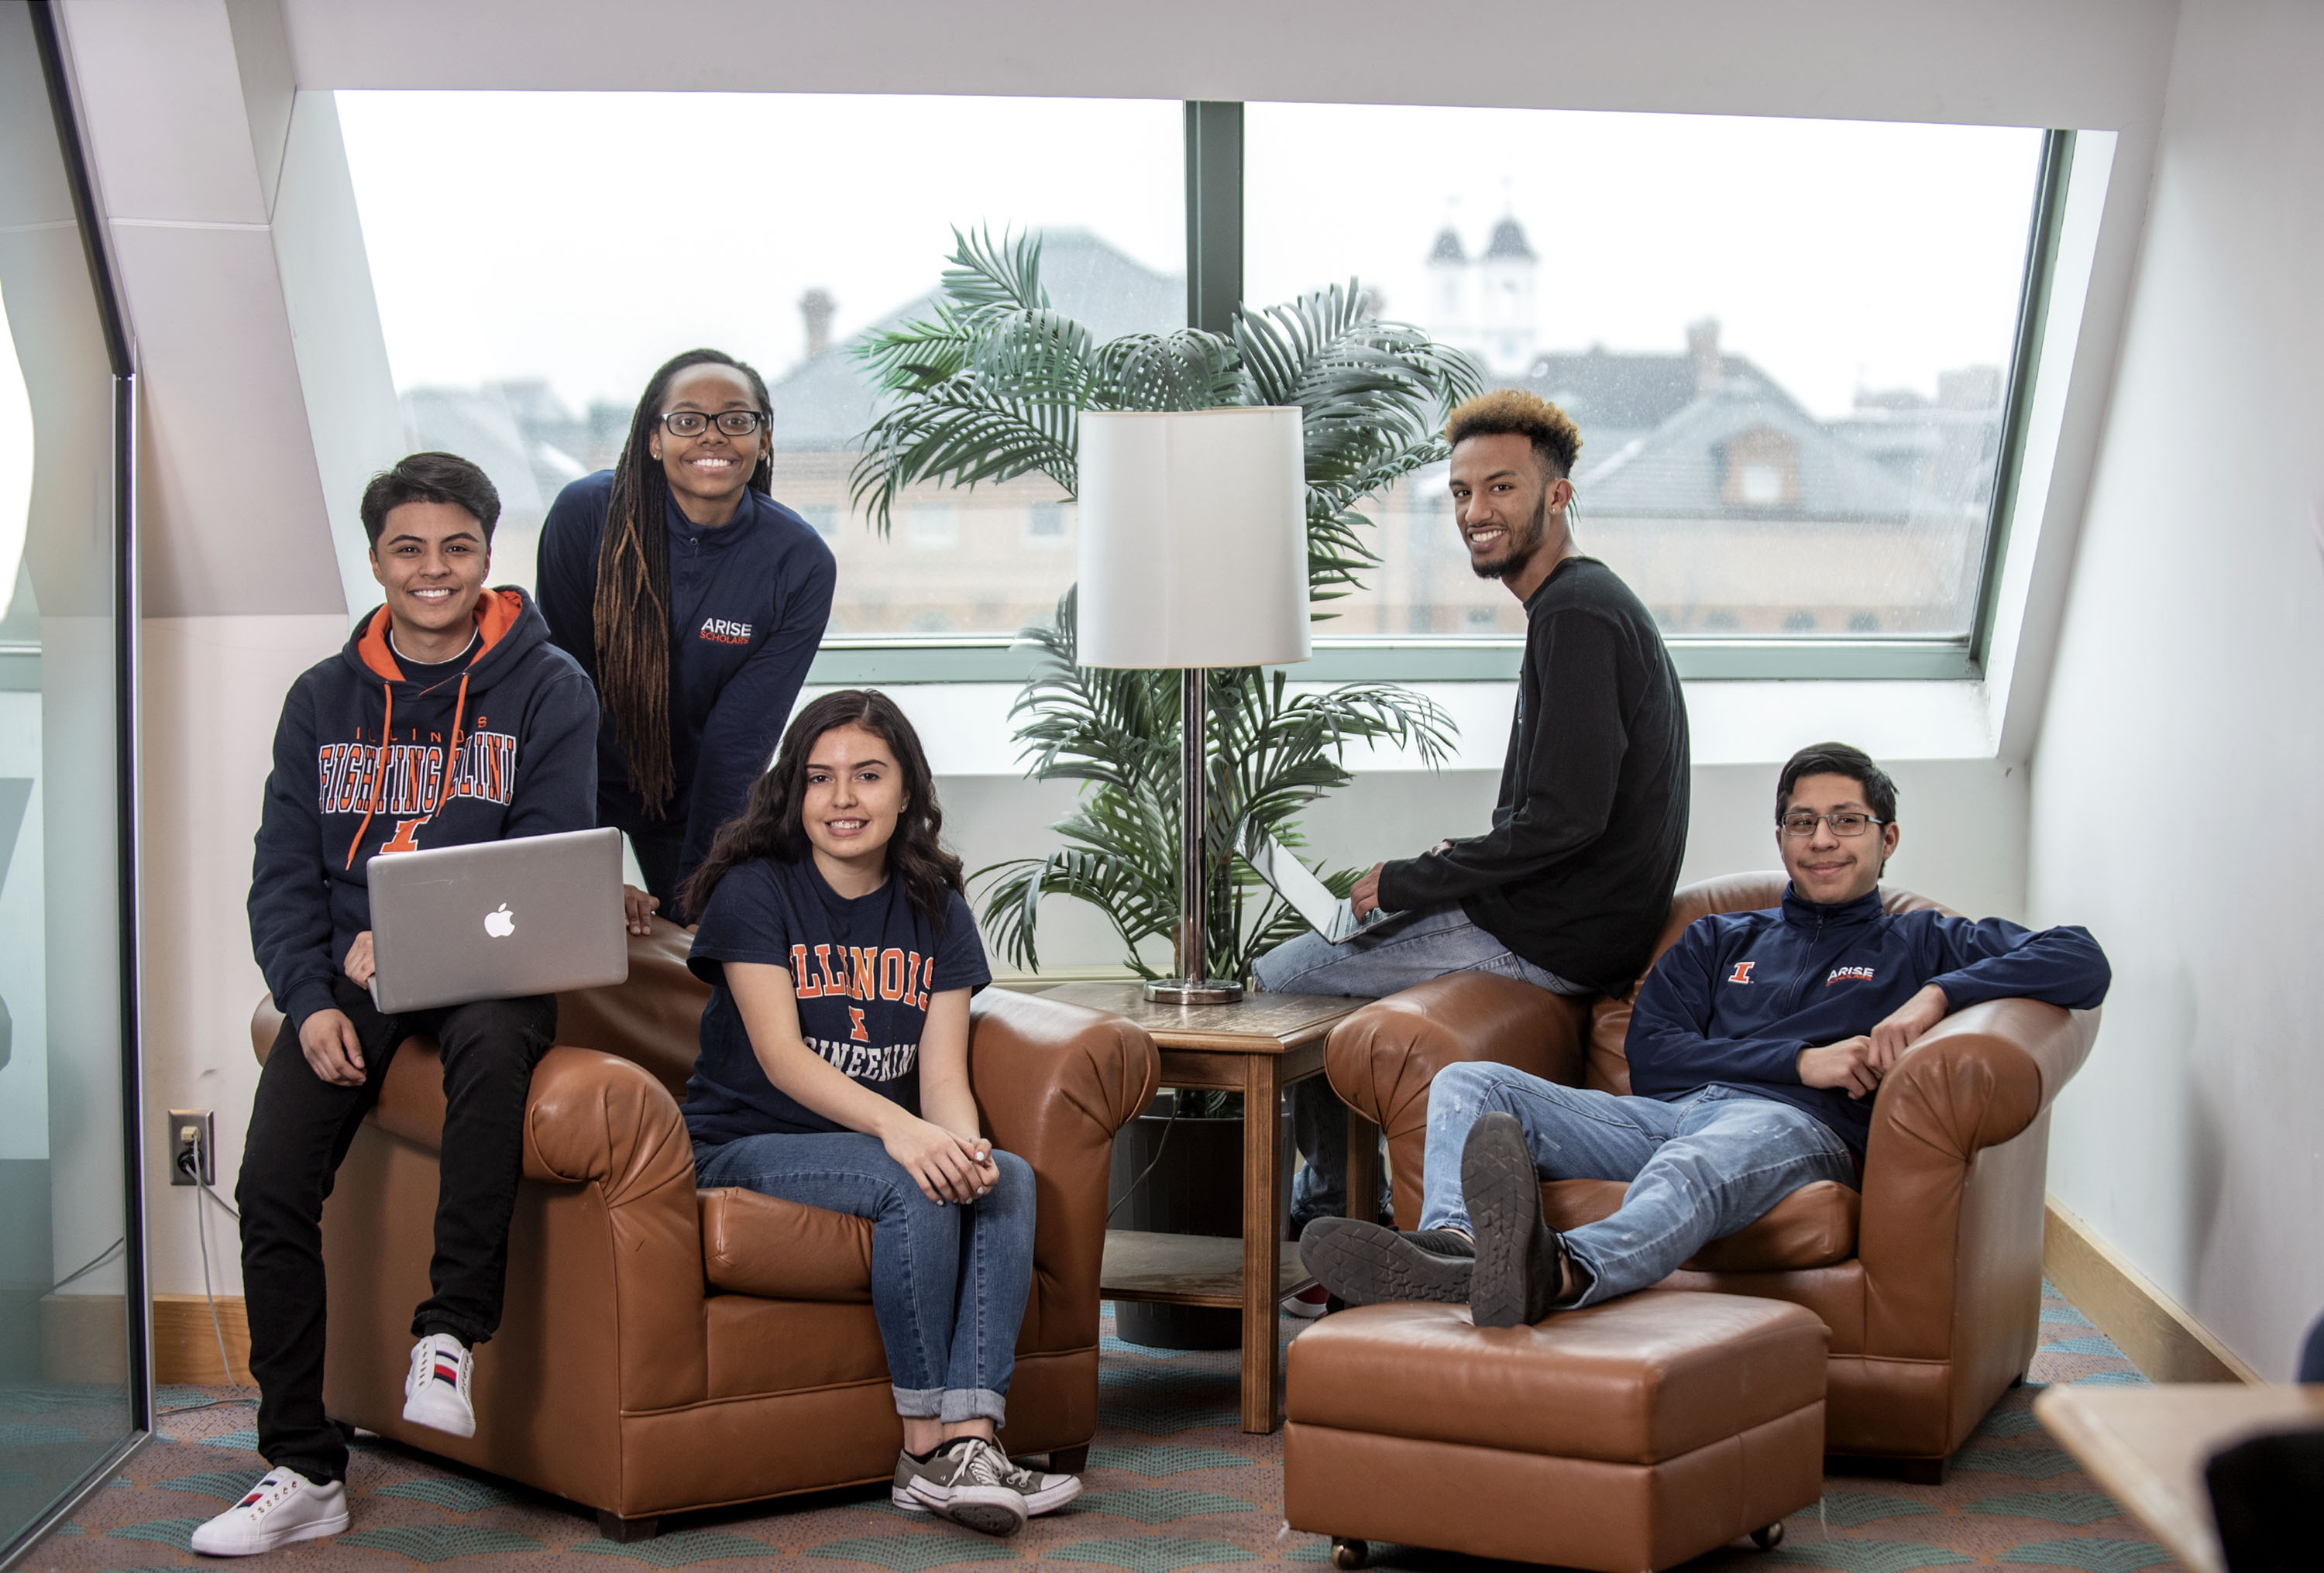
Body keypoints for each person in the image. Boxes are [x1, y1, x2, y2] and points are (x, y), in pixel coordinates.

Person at [1299, 742, 2113, 1328]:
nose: (1823, 840)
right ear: (1781, 837)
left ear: (1885, 838)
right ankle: (1454, 1248)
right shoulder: (1721, 938)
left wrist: (1934, 997)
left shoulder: (1923, 939)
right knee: (1470, 1085)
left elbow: (2080, 960)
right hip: (1673, 1113)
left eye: (1847, 822)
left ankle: (1561, 1271)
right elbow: (1656, 1057)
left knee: (1699, 1159)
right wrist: (1802, 1059)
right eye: (1803, 822)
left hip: (1798, 1130)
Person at [198, 453, 598, 1556]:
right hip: (352, 976)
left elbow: (547, 862)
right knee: (270, 1185)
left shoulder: (548, 687)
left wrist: (421, 930)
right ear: (376, 559)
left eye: (457, 546)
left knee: (491, 1049)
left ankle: (449, 1337)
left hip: (488, 974)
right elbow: (280, 873)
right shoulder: (322, 699)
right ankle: (300, 1464)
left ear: (486, 555)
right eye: (409, 548)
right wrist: (308, 995)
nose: (434, 569)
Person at [1253, 388, 1691, 1249]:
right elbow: (1559, 812)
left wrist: (1416, 880)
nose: (1476, 512)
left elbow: (1567, 821)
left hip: (1555, 933)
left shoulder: (1576, 612)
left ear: (1557, 495)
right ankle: (1345, 1213)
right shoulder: (1577, 607)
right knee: (1325, 956)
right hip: (1562, 915)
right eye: (1460, 493)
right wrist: (1464, 857)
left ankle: (1330, 1219)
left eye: (1501, 488)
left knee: (1281, 979)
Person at [679, 689, 1080, 1537]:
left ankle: (974, 1440)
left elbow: (942, 1077)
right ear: (795, 795)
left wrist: (962, 1147)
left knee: (1001, 1177)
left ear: (907, 793)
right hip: (750, 1141)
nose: (843, 799)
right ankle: (923, 1450)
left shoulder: (934, 902)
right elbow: (783, 1062)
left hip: (876, 1145)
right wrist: (910, 1136)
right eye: (820, 779)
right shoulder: (757, 892)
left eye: (867, 775)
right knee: (915, 1180)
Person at [537, 348, 835, 929]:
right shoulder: (584, 517)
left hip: (696, 789)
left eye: (736, 419)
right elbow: (561, 694)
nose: (713, 435)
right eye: (688, 419)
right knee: (570, 940)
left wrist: (705, 884)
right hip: (581, 773)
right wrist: (581, 862)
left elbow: (740, 739)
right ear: (654, 438)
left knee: (707, 944)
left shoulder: (798, 563)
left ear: (764, 439)